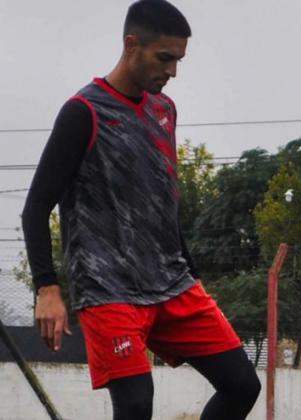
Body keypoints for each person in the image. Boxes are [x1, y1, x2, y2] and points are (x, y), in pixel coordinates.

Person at [21, 2, 261, 419]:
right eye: (164, 58)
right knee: (135, 405)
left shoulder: (163, 111)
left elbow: (163, 202)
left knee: (242, 385)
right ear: (132, 45)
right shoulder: (84, 112)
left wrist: (193, 275)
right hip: (107, 287)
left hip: (172, 281)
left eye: (178, 60)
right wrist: (47, 287)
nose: (172, 71)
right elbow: (36, 206)